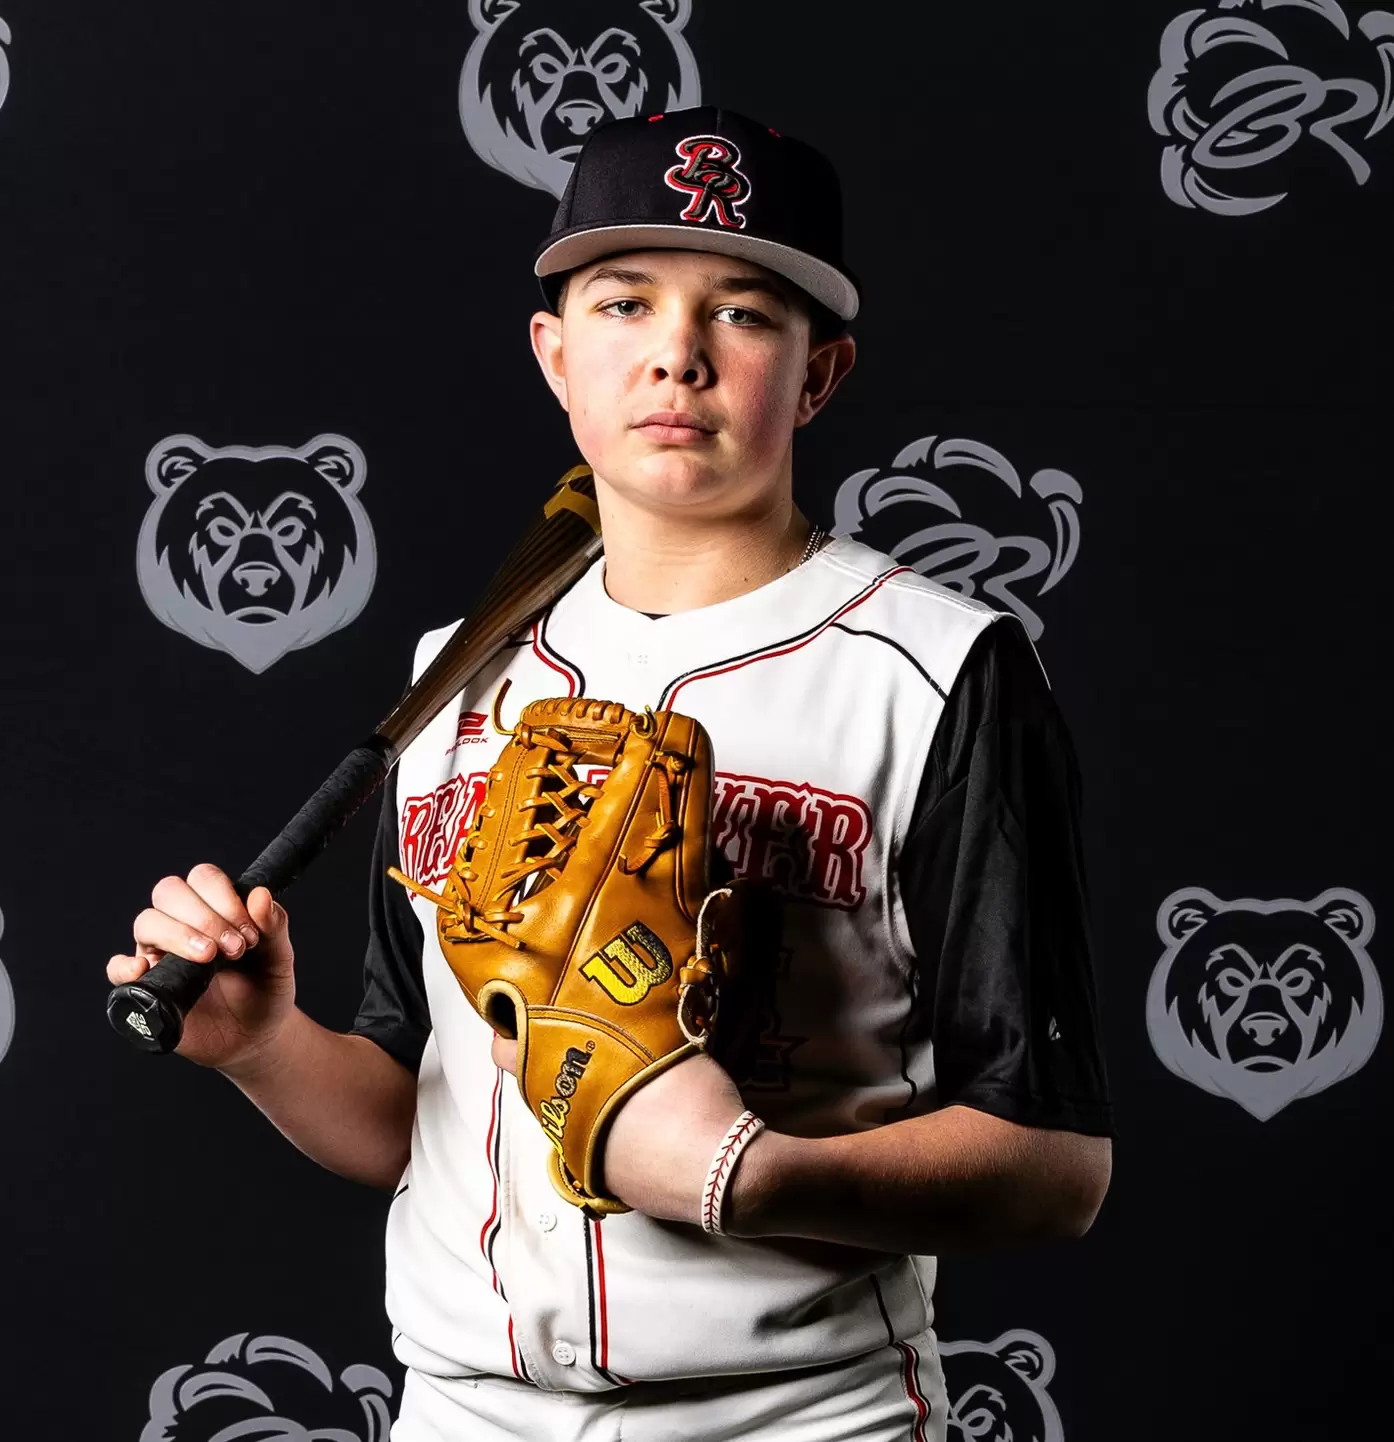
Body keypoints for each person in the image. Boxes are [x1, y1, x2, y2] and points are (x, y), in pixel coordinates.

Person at [106, 107, 1114, 1441]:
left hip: (801, 1417)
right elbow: (411, 1116)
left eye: (742, 312)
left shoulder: (936, 671)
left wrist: (743, 1174)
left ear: (818, 374)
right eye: (624, 303)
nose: (676, 355)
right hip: (462, 1413)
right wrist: (267, 1049)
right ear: (556, 354)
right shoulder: (453, 675)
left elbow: (1052, 1167)